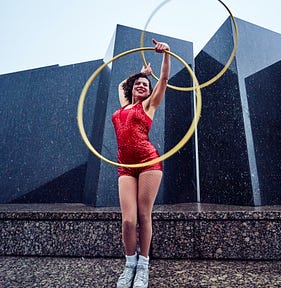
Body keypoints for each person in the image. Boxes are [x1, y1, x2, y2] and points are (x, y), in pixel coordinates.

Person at [112, 39, 170, 288]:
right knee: (127, 220)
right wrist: (142, 72)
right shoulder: (123, 105)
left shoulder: (149, 105)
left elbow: (164, 80)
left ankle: (143, 266)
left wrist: (166, 54)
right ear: (133, 88)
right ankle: (130, 265)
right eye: (139, 84)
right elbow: (121, 83)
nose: (142, 86)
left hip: (148, 162)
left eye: (146, 85)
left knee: (144, 215)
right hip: (125, 164)